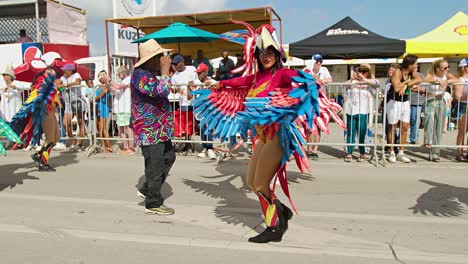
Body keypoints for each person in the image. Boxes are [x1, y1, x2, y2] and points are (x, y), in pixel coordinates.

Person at [197, 24, 341, 243]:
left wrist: (309, 79)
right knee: (252, 183)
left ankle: (274, 228)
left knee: (261, 183)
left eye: (271, 52)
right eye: (263, 52)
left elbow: (297, 76)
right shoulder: (256, 78)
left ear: (278, 54)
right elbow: (237, 81)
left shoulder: (281, 74)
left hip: (276, 137)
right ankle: (281, 210)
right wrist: (219, 83)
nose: (266, 56)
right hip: (261, 137)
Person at [131, 39, 176, 216]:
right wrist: (165, 72)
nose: (162, 60)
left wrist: (165, 74)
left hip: (159, 129)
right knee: (155, 166)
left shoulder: (148, 74)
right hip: (149, 131)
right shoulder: (139, 75)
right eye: (159, 57)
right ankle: (153, 202)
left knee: (169, 157)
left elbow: (163, 89)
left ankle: (148, 188)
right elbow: (160, 91)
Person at [10, 67, 60, 171]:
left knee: (56, 138)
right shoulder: (41, 83)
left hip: (50, 111)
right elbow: (37, 98)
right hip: (44, 112)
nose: (52, 73)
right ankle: (42, 160)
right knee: (50, 138)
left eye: (53, 72)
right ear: (44, 73)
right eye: (49, 72)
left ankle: (39, 155)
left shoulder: (49, 83)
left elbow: (53, 99)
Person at [386, 54, 422, 163]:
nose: (416, 66)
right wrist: (407, 83)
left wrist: (406, 84)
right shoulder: (398, 71)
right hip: (393, 101)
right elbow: (397, 88)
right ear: (409, 64)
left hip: (405, 102)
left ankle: (401, 152)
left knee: (405, 127)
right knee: (393, 126)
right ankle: (392, 152)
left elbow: (419, 79)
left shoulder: (412, 72)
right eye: (415, 64)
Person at [423, 59, 458, 161]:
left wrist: (447, 81)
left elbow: (457, 79)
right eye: (445, 68)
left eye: (448, 67)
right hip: (431, 100)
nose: (447, 69)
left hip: (440, 99)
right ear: (438, 68)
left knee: (439, 126)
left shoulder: (446, 75)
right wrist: (437, 81)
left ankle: (436, 152)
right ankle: (428, 141)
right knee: (429, 121)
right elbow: (425, 80)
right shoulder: (431, 74)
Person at [343, 64, 379, 162]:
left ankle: (362, 153)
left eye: (364, 71)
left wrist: (365, 79)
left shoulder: (369, 83)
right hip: (351, 111)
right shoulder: (353, 82)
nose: (361, 73)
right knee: (351, 133)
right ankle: (349, 152)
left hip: (363, 112)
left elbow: (377, 84)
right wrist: (351, 79)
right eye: (359, 71)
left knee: (362, 134)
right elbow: (343, 86)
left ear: (368, 73)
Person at [303, 53, 333, 160]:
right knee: (309, 127)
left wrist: (318, 81)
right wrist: (316, 81)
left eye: (321, 61)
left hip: (321, 102)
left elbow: (330, 80)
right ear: (312, 62)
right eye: (317, 61)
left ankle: (315, 151)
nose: (319, 63)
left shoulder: (324, 69)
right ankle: (309, 149)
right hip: (309, 101)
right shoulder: (307, 69)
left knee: (319, 126)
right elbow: (303, 80)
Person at [60, 63, 86, 151]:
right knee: (65, 124)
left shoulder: (76, 75)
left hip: (77, 101)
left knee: (80, 122)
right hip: (68, 103)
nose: (63, 71)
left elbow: (78, 82)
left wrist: (66, 85)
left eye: (65, 70)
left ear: (70, 71)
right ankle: (73, 142)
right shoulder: (62, 78)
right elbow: (58, 83)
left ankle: (80, 144)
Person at [170, 54, 197, 139]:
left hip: (195, 100)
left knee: (194, 121)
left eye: (176, 64)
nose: (174, 66)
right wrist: (175, 90)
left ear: (182, 63)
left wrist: (192, 87)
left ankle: (190, 139)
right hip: (184, 102)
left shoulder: (192, 69)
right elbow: (176, 90)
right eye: (173, 64)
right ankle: (187, 141)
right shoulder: (174, 77)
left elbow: (197, 81)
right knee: (186, 123)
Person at [195, 63, 217, 160]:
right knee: (202, 130)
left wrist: (211, 86)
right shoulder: (195, 83)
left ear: (206, 72)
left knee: (208, 129)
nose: (198, 75)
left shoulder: (212, 81)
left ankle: (210, 148)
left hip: (209, 110)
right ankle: (205, 148)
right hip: (199, 111)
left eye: (200, 73)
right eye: (197, 73)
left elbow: (219, 90)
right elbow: (190, 97)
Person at [111, 66, 134, 154]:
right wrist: (106, 83)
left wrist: (109, 80)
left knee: (128, 128)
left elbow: (117, 86)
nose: (117, 75)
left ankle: (130, 147)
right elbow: (113, 89)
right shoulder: (124, 81)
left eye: (118, 73)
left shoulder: (128, 79)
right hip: (120, 108)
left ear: (124, 73)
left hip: (125, 107)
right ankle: (126, 146)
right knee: (121, 128)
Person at [94, 71, 113, 153]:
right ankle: (104, 145)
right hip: (99, 107)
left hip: (104, 107)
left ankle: (109, 146)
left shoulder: (106, 86)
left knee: (103, 128)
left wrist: (93, 99)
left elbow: (103, 94)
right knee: (99, 128)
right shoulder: (98, 87)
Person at [454, 58, 468, 161]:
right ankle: (459, 152)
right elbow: (458, 96)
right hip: (463, 106)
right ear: (463, 68)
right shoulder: (460, 80)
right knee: (462, 131)